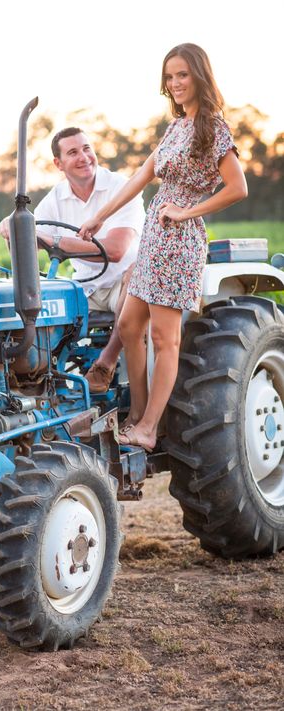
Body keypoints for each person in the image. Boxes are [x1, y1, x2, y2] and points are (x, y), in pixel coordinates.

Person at [79, 43, 248, 450]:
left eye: (182, 75)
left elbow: (238, 188)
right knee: (128, 326)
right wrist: (102, 215)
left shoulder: (214, 128)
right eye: (169, 77)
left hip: (180, 239)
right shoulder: (175, 128)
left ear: (199, 77)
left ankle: (150, 428)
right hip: (156, 237)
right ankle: (135, 417)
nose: (174, 84)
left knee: (164, 338)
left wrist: (188, 212)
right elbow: (140, 176)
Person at [0, 127, 145, 392]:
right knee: (35, 301)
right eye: (73, 152)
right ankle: (36, 378)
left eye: (87, 148)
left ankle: (106, 363)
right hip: (86, 286)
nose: (84, 157)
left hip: (125, 285)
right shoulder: (56, 198)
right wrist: (9, 226)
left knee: (135, 272)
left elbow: (115, 250)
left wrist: (55, 242)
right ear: (59, 163)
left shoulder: (121, 188)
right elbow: (29, 231)